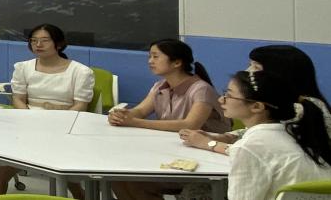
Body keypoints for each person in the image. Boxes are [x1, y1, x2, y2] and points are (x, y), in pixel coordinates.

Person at [181, 70, 330, 200]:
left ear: (257, 106)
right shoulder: (294, 133)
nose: (221, 99)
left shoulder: (248, 147)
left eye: (228, 95)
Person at [110, 39, 228, 200]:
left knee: (135, 181)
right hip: (173, 151)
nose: (150, 61)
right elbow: (141, 110)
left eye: (155, 56)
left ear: (177, 62)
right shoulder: (160, 86)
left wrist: (135, 122)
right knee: (117, 177)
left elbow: (190, 124)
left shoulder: (201, 89)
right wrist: (122, 115)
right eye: (150, 56)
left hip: (204, 160)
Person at [0, 23, 94, 197]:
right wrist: (30, 119)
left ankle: (78, 192)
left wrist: (55, 125)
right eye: (33, 40)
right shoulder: (23, 67)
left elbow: (80, 106)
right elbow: (18, 98)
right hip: (29, 124)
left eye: (44, 40)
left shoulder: (81, 71)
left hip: (64, 127)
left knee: (68, 175)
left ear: (58, 44)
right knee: (7, 163)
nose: (38, 45)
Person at [184, 45, 331, 150]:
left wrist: (209, 143)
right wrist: (223, 137)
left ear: (278, 74)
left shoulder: (300, 107)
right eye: (250, 65)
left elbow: (266, 148)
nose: (248, 71)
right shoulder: (277, 101)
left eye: (256, 67)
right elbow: (256, 132)